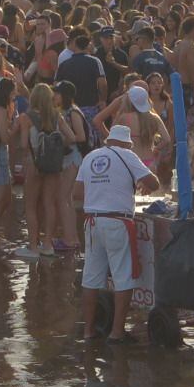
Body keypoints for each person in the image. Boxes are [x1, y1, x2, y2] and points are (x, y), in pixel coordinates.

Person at [76, 123, 156, 342]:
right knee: (124, 277)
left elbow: (76, 192)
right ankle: (117, 331)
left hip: (92, 221)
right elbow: (154, 183)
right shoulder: (128, 156)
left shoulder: (90, 156)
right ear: (128, 143)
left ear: (109, 140)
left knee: (91, 278)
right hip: (117, 221)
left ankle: (88, 331)